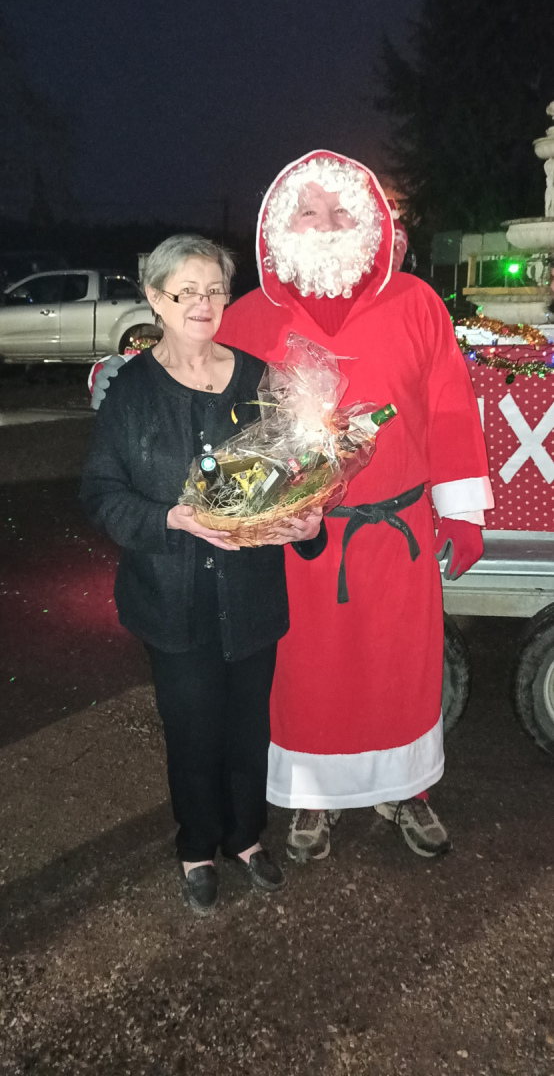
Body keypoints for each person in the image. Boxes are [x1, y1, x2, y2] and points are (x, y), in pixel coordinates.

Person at [91, 153, 493, 867]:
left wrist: (462, 511)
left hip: (395, 539)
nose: (327, 224)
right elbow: (199, 395)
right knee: (308, 681)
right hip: (294, 539)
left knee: (397, 670)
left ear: (371, 225)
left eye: (342, 212)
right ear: (279, 228)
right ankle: (311, 795)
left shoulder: (418, 304)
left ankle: (408, 789)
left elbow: (451, 408)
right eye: (308, 212)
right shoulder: (245, 316)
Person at [81, 234, 322, 914]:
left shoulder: (260, 380)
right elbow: (101, 493)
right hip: (172, 597)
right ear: (155, 299)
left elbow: (295, 478)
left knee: (247, 726)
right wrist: (170, 519)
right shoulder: (132, 390)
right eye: (186, 291)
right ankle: (197, 845)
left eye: (215, 289)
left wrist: (307, 525)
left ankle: (246, 837)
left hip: (250, 595)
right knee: (191, 729)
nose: (203, 303)